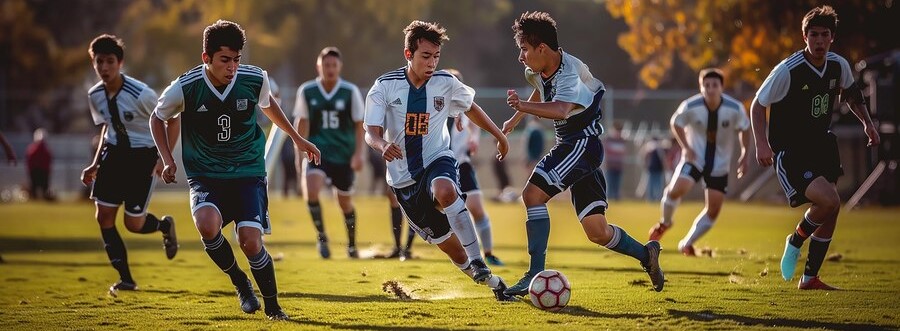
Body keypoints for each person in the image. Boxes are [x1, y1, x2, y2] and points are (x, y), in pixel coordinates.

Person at [150, 20, 320, 320]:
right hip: (205, 175)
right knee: (206, 223)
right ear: (207, 58)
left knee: (251, 242)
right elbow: (157, 117)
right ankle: (240, 282)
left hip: (247, 172)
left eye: (237, 60)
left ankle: (273, 306)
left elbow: (268, 106)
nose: (232, 67)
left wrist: (297, 138)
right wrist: (167, 158)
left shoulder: (255, 79)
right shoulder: (185, 87)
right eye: (225, 60)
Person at [500, 11, 664, 296]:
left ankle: (534, 274)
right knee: (597, 231)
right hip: (577, 146)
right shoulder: (539, 67)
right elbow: (540, 88)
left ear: (542, 49)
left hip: (581, 145)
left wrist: (521, 109)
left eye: (524, 50)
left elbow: (562, 108)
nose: (521, 57)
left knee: (531, 195)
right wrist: (513, 123)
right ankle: (646, 254)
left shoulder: (569, 73)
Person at [364, 20, 514, 301]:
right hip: (403, 180)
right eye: (425, 56)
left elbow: (471, 108)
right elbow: (370, 132)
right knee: (453, 251)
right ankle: (496, 284)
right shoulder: (385, 86)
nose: (432, 63)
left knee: (445, 189)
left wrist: (499, 135)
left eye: (436, 57)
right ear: (408, 55)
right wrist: (382, 144)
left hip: (437, 159)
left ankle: (479, 258)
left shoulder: (446, 83)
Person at [751, 6, 879, 290]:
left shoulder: (838, 65)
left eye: (824, 35)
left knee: (831, 209)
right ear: (804, 37)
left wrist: (867, 124)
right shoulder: (788, 70)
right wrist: (761, 143)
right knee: (830, 201)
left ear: (832, 37)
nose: (819, 40)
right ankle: (796, 239)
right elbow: (758, 105)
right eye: (813, 35)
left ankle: (809, 278)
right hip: (792, 150)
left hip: (822, 143)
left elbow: (852, 95)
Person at [80, 34, 180, 294]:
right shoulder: (95, 95)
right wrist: (94, 165)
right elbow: (106, 128)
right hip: (113, 157)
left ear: (120, 62)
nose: (104, 68)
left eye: (109, 61)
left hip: (142, 158)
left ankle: (164, 225)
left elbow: (172, 119)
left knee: (133, 224)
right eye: (98, 62)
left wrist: (162, 158)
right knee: (103, 217)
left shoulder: (141, 94)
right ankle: (126, 279)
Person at [648, 68, 750, 256]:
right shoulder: (690, 105)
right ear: (701, 87)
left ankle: (687, 243)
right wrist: (686, 146)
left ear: (722, 87)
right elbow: (675, 123)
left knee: (713, 210)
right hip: (694, 159)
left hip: (719, 164)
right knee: (675, 190)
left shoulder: (735, 108)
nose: (710, 89)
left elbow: (745, 128)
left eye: (715, 85)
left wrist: (744, 153)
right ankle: (665, 222)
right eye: (706, 85)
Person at [293, 47, 366, 259]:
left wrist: (359, 154)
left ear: (340, 67)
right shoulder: (307, 91)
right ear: (319, 66)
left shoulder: (349, 91)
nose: (330, 69)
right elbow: (302, 123)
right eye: (326, 65)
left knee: (344, 203)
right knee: (312, 189)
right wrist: (300, 158)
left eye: (334, 65)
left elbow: (359, 125)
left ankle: (352, 245)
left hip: (344, 156)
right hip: (318, 153)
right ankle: (322, 238)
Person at [445, 68, 504, 266]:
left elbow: (474, 123)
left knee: (477, 209)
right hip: (439, 167)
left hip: (462, 164)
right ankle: (407, 248)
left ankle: (488, 253)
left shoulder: (463, 105)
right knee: (433, 210)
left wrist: (474, 138)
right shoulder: (433, 105)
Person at [25, 128, 53, 200]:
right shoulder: (44, 149)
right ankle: (41, 198)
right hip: (41, 170)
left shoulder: (32, 148)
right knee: (41, 187)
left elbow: (29, 159)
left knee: (37, 186)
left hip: (37, 170)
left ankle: (37, 198)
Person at [604, 121, 626, 201]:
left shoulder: (622, 140)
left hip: (619, 167)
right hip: (610, 166)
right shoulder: (608, 140)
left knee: (617, 185)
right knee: (609, 185)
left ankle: (616, 199)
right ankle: (609, 200)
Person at [640, 136, 667, 201]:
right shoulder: (654, 147)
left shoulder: (654, 147)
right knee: (654, 184)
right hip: (654, 168)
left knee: (653, 184)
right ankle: (653, 198)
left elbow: (662, 159)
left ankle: (653, 198)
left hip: (654, 169)